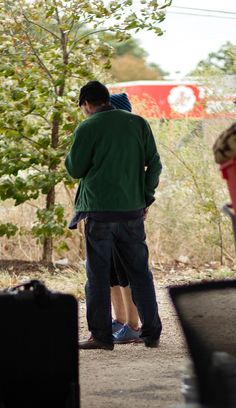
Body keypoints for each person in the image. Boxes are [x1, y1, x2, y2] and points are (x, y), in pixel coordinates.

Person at [65, 80, 162, 350]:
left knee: (97, 275)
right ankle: (151, 332)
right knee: (140, 273)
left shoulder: (87, 127)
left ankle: (101, 336)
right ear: (107, 99)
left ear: (86, 104)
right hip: (132, 210)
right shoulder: (138, 123)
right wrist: (146, 197)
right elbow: (154, 164)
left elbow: (75, 169)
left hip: (99, 212)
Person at [106, 92, 142, 345]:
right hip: (107, 210)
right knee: (111, 271)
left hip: (126, 210)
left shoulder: (133, 138)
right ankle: (119, 319)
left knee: (126, 269)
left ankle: (133, 324)